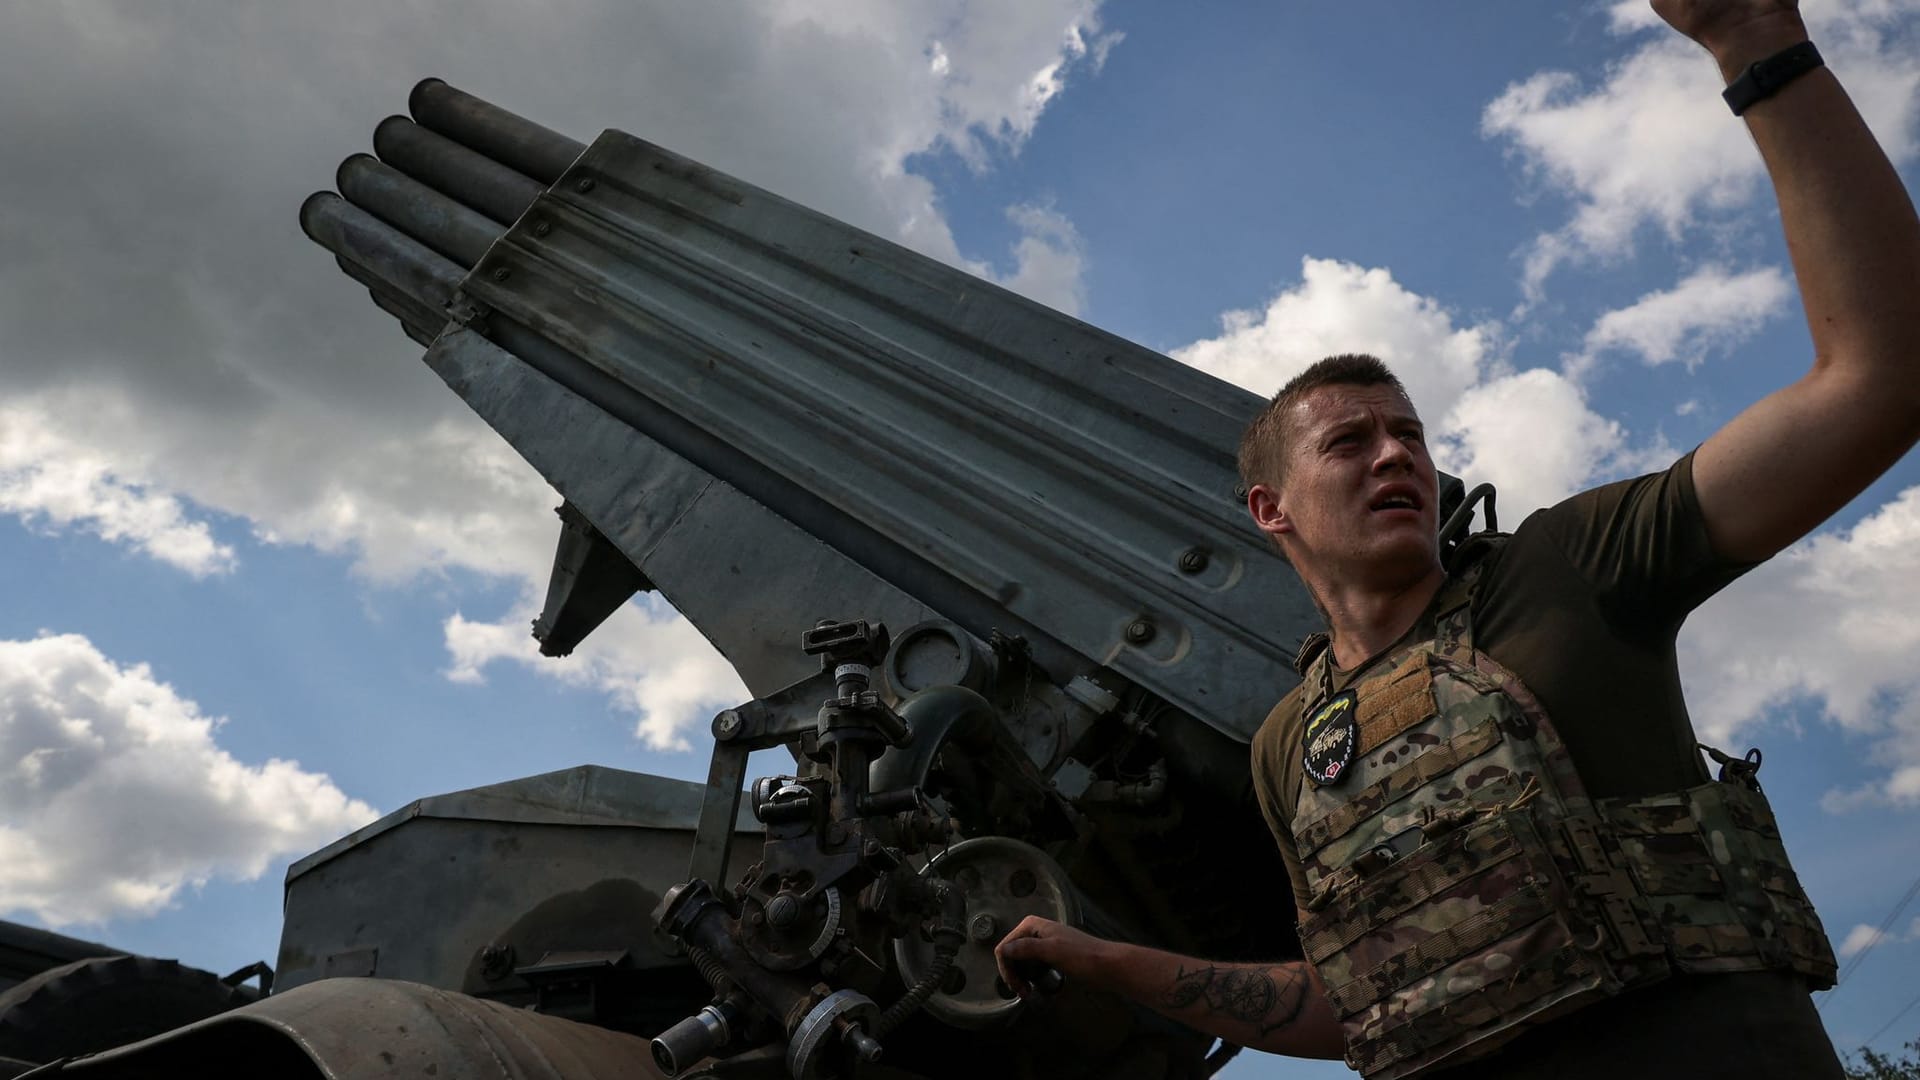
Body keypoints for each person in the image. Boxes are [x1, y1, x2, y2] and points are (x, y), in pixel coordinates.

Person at [994, 0, 1920, 1076]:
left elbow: (1880, 379)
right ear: (1270, 510)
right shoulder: (1290, 745)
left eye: (1410, 436)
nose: (1396, 457)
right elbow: (1354, 1005)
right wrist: (1102, 960)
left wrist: (1753, 41)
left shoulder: (1574, 566)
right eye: (1350, 443)